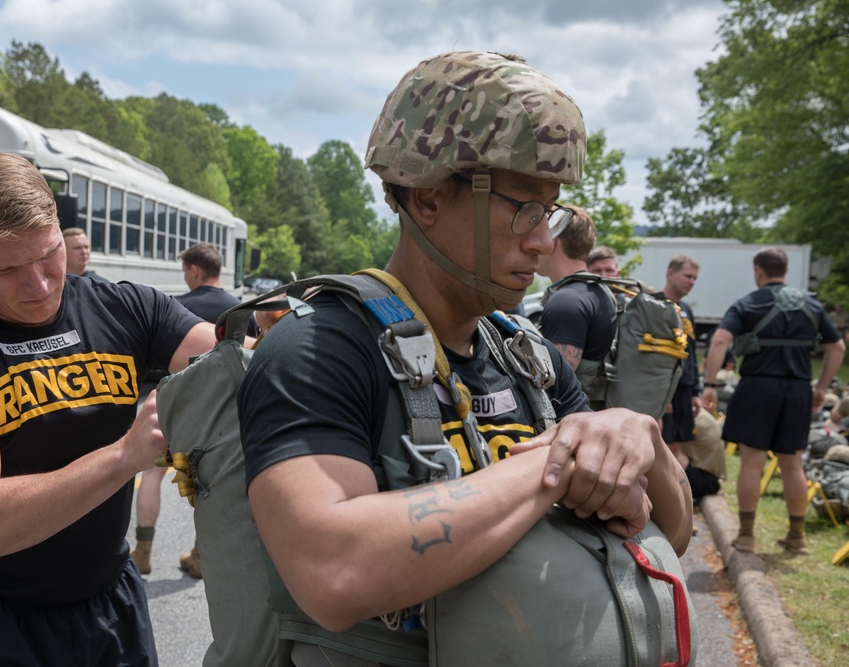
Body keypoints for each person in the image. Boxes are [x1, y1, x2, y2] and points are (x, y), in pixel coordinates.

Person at [238, 51, 692, 664]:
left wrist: (643, 443)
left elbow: (675, 531)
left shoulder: (528, 358)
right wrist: (552, 466)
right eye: (523, 208)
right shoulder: (318, 352)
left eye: (551, 210)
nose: (543, 241)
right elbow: (333, 572)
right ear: (427, 197)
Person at [0, 152, 219, 665]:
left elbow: (231, 365)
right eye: (7, 268)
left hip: (111, 603)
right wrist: (123, 457)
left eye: (49, 254)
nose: (38, 283)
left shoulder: (126, 308)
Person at [703, 247, 845, 555]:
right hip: (796, 391)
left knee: (752, 462)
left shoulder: (747, 303)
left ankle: (746, 536)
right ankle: (797, 537)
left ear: (758, 271)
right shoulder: (811, 305)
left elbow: (719, 340)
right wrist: (820, 387)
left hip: (756, 388)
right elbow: (837, 347)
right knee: (792, 464)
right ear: (786, 269)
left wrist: (711, 384)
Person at [131, 242, 241, 579]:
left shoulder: (175, 308)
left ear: (194, 270)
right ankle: (199, 556)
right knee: (213, 485)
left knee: (151, 475)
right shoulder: (240, 312)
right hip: (222, 418)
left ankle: (143, 552)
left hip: (175, 412)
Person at [536, 205, 617, 407]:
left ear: (552, 241)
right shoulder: (599, 291)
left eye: (539, 235)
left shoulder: (567, 301)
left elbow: (553, 386)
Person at [660, 255, 703, 454]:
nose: (692, 282)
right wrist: (660, 394)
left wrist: (695, 392)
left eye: (695, 278)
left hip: (684, 391)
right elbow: (649, 357)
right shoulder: (655, 306)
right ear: (670, 274)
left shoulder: (686, 309)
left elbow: (691, 354)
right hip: (664, 391)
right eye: (687, 276)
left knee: (677, 448)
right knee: (661, 449)